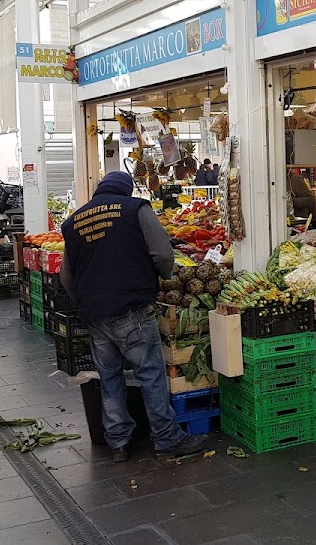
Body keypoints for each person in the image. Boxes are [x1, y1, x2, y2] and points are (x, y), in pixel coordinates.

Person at [60, 172, 207, 462]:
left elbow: (66, 276)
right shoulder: (135, 209)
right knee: (150, 373)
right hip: (131, 308)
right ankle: (167, 439)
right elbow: (163, 253)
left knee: (110, 376)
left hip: (95, 313)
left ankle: (118, 442)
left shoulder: (73, 221)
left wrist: (88, 301)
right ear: (126, 191)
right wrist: (165, 276)